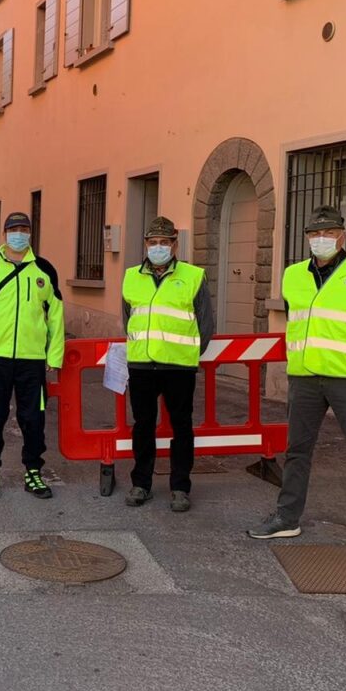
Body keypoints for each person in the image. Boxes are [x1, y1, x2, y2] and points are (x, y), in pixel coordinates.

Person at [247, 205, 346, 570]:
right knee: (298, 451)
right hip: (304, 380)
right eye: (315, 234)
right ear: (306, 237)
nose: (321, 240)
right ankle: (287, 519)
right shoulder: (292, 276)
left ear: (343, 236)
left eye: (329, 233)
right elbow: (299, 321)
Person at [0, 211, 65, 501]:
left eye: (25, 229)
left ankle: (33, 470)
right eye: (14, 229)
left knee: (33, 418)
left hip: (32, 360)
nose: (20, 234)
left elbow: (56, 316)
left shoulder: (44, 270)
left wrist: (54, 357)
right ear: (4, 234)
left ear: (31, 234)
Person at [121, 216, 214, 512]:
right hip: (141, 365)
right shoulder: (130, 276)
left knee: (181, 426)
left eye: (164, 242)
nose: (158, 247)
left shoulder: (193, 276)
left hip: (178, 367)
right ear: (146, 245)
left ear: (175, 244)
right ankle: (141, 484)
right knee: (143, 425)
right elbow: (128, 319)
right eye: (152, 242)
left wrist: (187, 355)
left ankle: (180, 487)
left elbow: (206, 324)